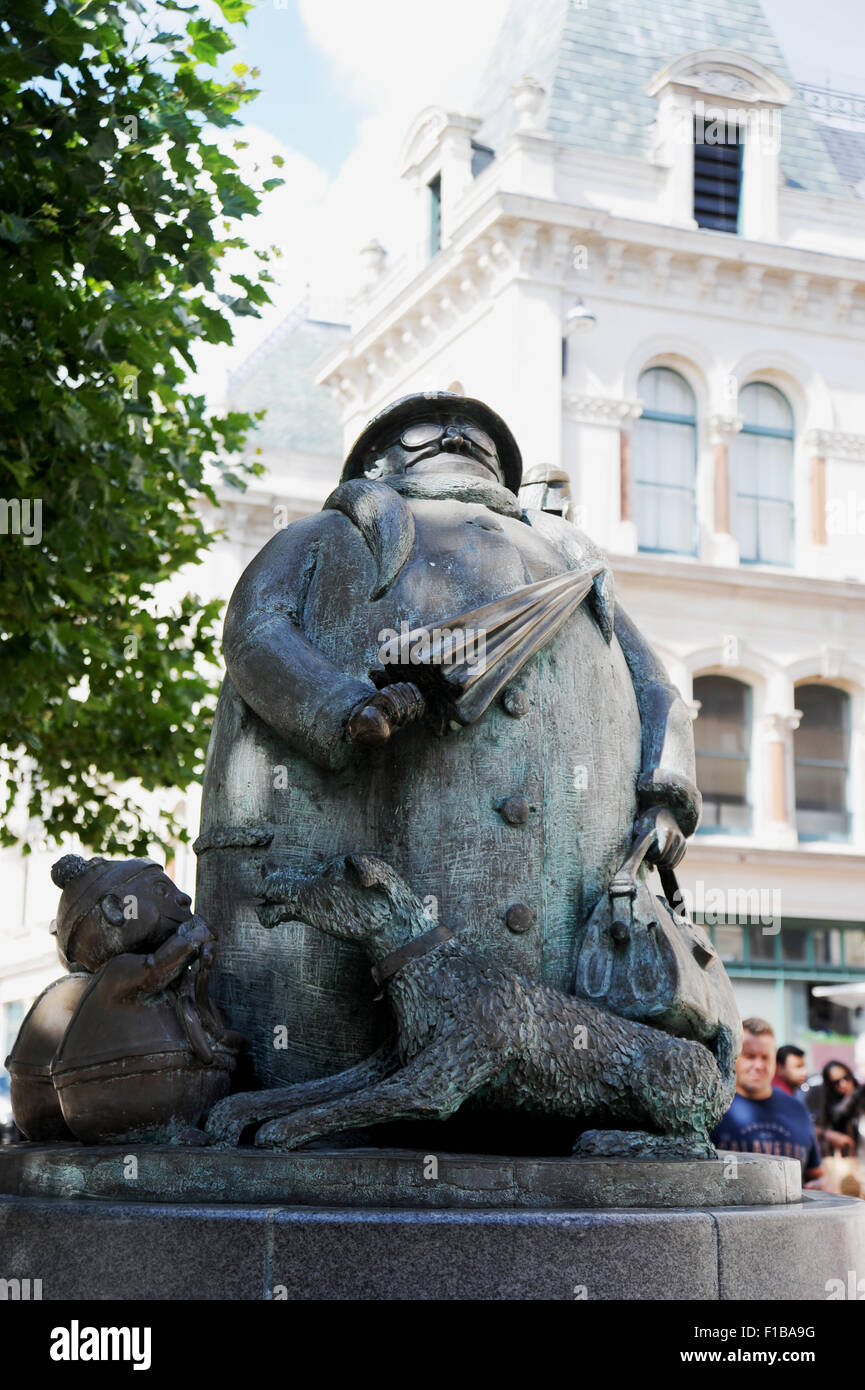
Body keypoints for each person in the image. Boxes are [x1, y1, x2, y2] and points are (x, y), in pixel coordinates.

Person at [712, 1017, 823, 1181]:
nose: (758, 1065)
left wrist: (820, 1184)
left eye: (765, 1057)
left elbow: (815, 1174)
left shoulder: (797, 1109)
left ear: (775, 1060)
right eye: (750, 1056)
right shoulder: (712, 1110)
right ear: (733, 1057)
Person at [804, 1060, 865, 1158]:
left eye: (846, 1078)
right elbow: (808, 1127)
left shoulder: (860, 1094)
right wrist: (829, 1135)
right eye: (836, 1082)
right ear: (829, 1086)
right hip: (837, 1160)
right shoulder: (823, 1101)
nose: (843, 1084)